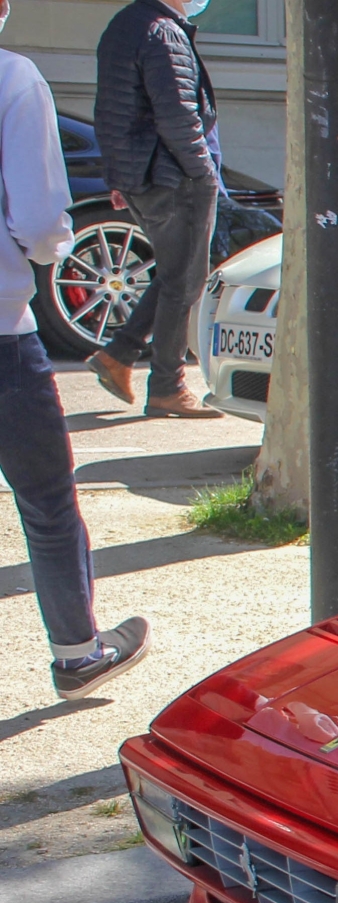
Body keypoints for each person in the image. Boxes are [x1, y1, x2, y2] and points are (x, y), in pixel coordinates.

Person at [2, 5, 151, 697]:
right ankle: (77, 649)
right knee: (46, 497)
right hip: (1, 333)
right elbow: (39, 219)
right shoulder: (14, 79)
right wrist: (43, 249)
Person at [87, 0, 224, 417]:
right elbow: (178, 115)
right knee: (185, 281)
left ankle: (120, 354)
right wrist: (204, 173)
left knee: (173, 275)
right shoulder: (163, 31)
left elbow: (112, 110)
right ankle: (167, 385)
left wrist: (120, 176)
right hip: (173, 175)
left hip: (144, 173)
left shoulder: (125, 24)